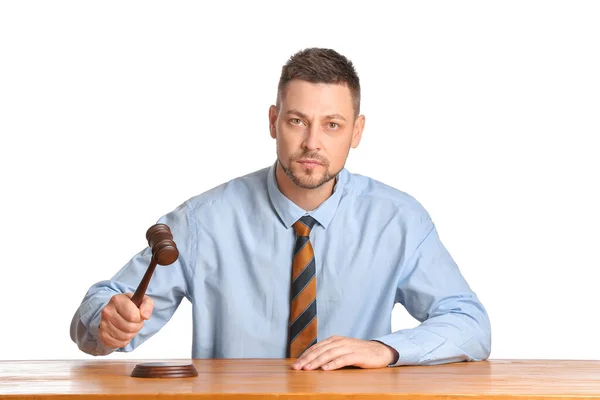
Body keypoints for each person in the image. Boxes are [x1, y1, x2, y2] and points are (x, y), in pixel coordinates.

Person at [70, 47, 491, 370]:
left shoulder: (398, 220)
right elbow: (97, 315)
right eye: (296, 121)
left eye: (332, 125)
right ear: (273, 121)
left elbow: (470, 325)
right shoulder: (203, 221)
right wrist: (107, 322)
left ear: (356, 131)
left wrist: (385, 348)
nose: (312, 143)